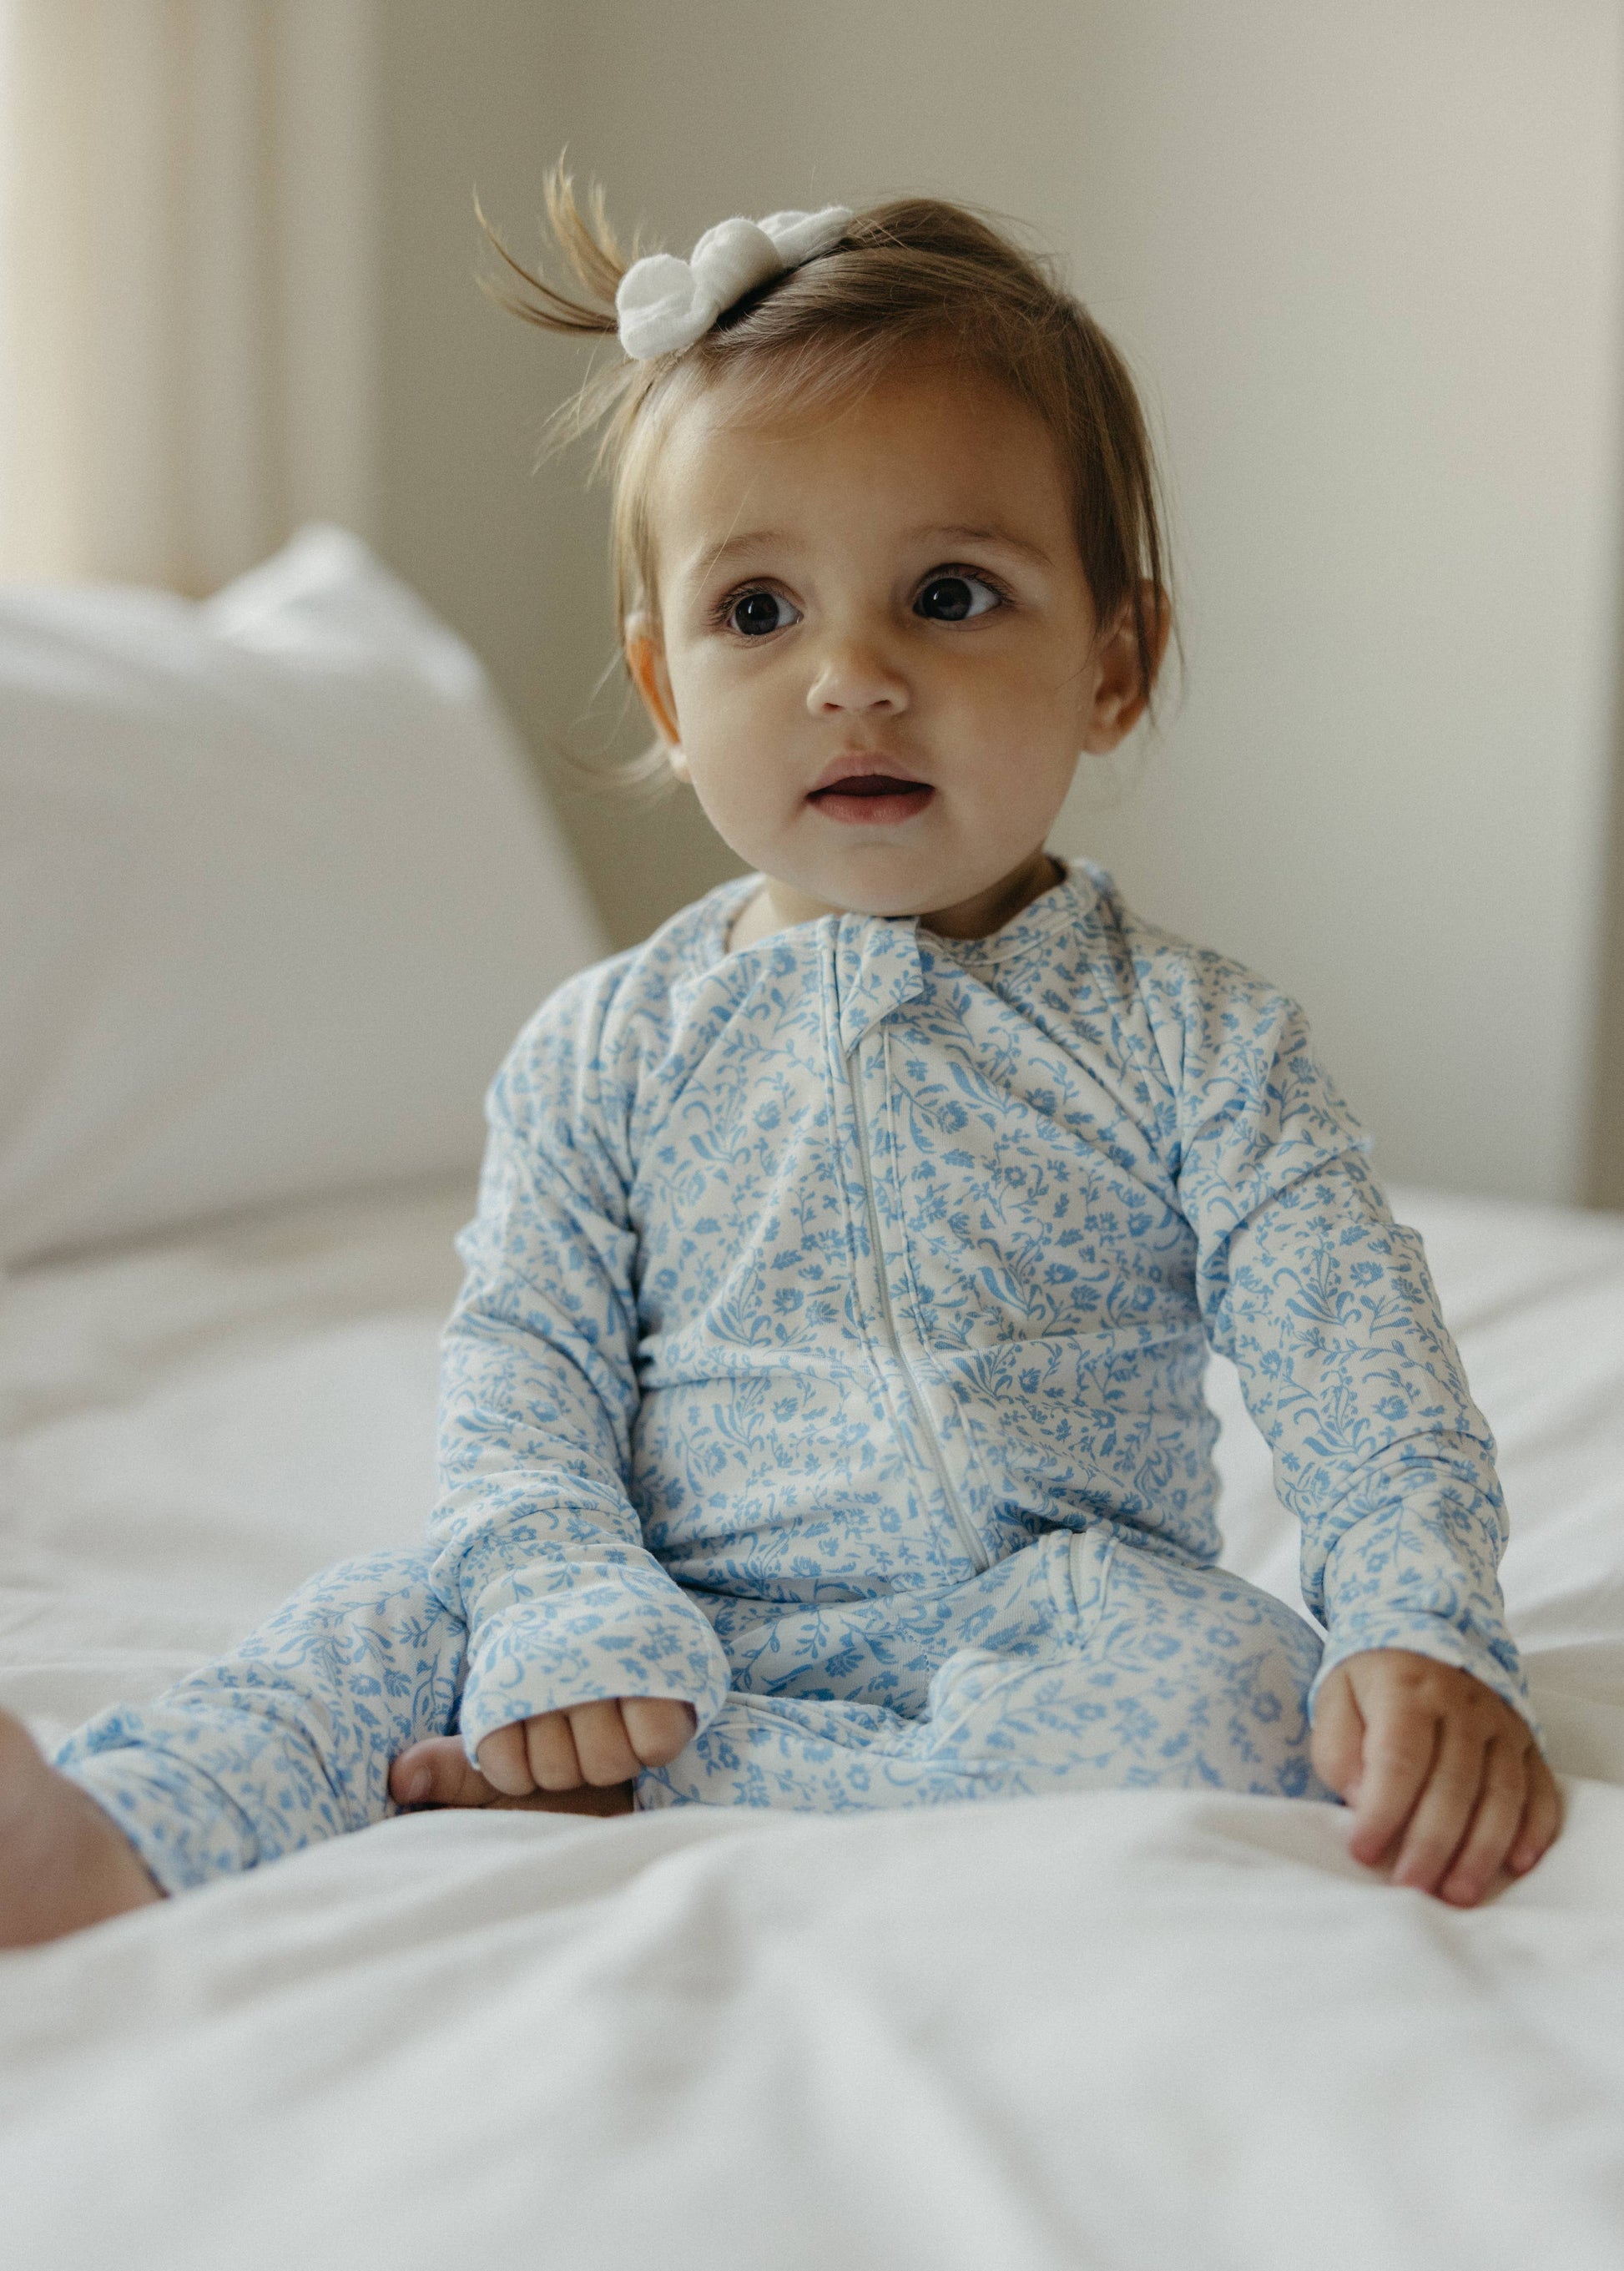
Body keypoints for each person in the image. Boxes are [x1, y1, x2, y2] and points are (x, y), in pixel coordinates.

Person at [0, 179, 1561, 1947]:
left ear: (1112, 664)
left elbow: (1358, 1358)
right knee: (380, 1622)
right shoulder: (603, 1050)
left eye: (950, 593)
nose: (853, 676)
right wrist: (562, 1594)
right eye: (757, 611)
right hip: (660, 1607)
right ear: (667, 696)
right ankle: (113, 1836)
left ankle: (677, 1787)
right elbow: (524, 1370)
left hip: (1045, 1609)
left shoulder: (1194, 1040)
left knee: (1235, 1691)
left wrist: (1419, 1627)